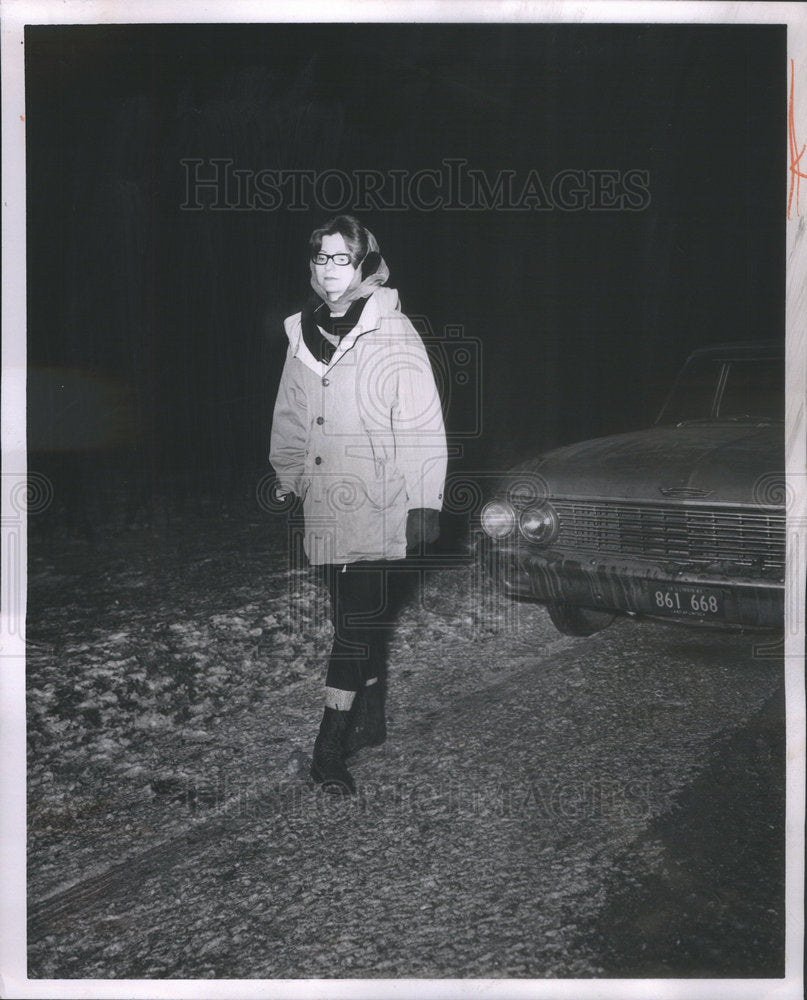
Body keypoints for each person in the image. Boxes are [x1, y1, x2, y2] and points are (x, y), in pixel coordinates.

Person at [269, 215, 447, 795]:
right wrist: (286, 476)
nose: (329, 269)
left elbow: (421, 420)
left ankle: (328, 747)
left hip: (379, 500)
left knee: (354, 624)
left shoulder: (391, 330)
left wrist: (424, 501)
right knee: (353, 619)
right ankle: (369, 720)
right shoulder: (303, 332)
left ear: (365, 263)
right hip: (324, 501)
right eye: (321, 257)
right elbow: (292, 413)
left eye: (342, 258)